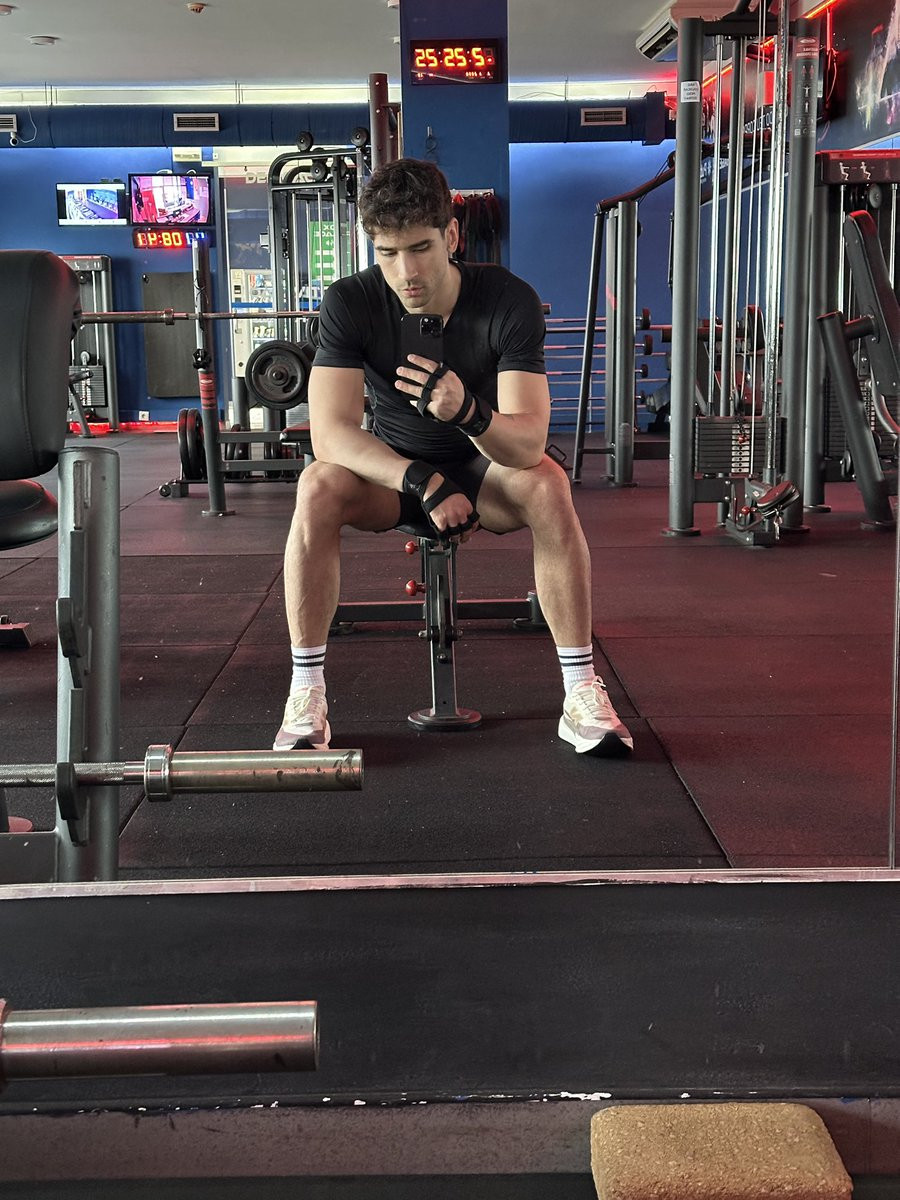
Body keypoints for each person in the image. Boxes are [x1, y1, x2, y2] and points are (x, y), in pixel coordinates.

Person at [274, 158, 633, 758]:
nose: (406, 272)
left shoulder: (507, 299)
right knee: (316, 484)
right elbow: (331, 434)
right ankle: (305, 692)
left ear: (453, 235)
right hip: (393, 480)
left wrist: (468, 412)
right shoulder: (350, 302)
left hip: (485, 474)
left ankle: (580, 692)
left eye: (420, 248)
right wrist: (422, 480)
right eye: (387, 253)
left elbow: (528, 442)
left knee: (548, 484)